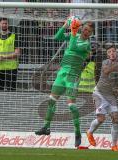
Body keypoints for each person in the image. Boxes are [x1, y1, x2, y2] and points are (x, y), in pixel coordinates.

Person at [35, 17, 94, 148]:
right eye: (84, 29)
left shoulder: (86, 44)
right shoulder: (75, 35)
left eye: (88, 31)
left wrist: (73, 31)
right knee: (51, 100)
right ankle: (46, 127)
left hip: (73, 76)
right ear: (81, 28)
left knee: (71, 106)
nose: (85, 32)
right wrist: (65, 25)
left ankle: (77, 133)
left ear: (91, 34)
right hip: (62, 74)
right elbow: (57, 37)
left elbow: (73, 46)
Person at [86, 45, 118, 151]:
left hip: (111, 96)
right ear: (107, 54)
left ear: (117, 53)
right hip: (100, 93)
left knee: (115, 118)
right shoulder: (105, 63)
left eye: (114, 51)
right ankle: (89, 132)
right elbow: (107, 72)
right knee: (101, 119)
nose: (112, 53)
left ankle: (114, 145)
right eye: (109, 52)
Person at [0, 17, 20, 91]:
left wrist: (3, 57)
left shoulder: (14, 36)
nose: (4, 25)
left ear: (8, 24)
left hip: (11, 68)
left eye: (6, 23)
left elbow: (17, 53)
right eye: (3, 23)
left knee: (11, 91)